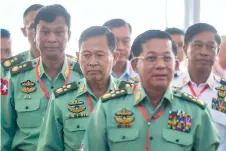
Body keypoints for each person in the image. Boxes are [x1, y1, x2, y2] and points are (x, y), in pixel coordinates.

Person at [82, 30, 219, 151]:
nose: (160, 65)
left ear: (176, 65)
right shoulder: (108, 107)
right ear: (135, 65)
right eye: (151, 58)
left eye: (167, 58)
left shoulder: (196, 111)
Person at [36, 26, 133, 151]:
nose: (92, 62)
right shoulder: (61, 99)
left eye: (99, 55)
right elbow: (48, 147)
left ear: (114, 57)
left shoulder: (132, 95)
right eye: (86, 55)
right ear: (78, 57)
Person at [1, 4, 83, 150]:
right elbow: (4, 132)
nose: (52, 39)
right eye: (45, 32)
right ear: (34, 34)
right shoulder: (15, 78)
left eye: (59, 32)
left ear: (69, 35)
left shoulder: (83, 76)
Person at [172, 23, 226, 151]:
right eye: (197, 45)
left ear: (217, 51)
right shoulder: (168, 87)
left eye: (211, 47)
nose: (204, 52)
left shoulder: (223, 92)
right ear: (185, 49)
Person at [1, 4, 43, 77]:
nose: (39, 32)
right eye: (33, 27)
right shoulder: (7, 69)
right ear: (24, 31)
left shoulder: (68, 64)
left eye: (44, 27)